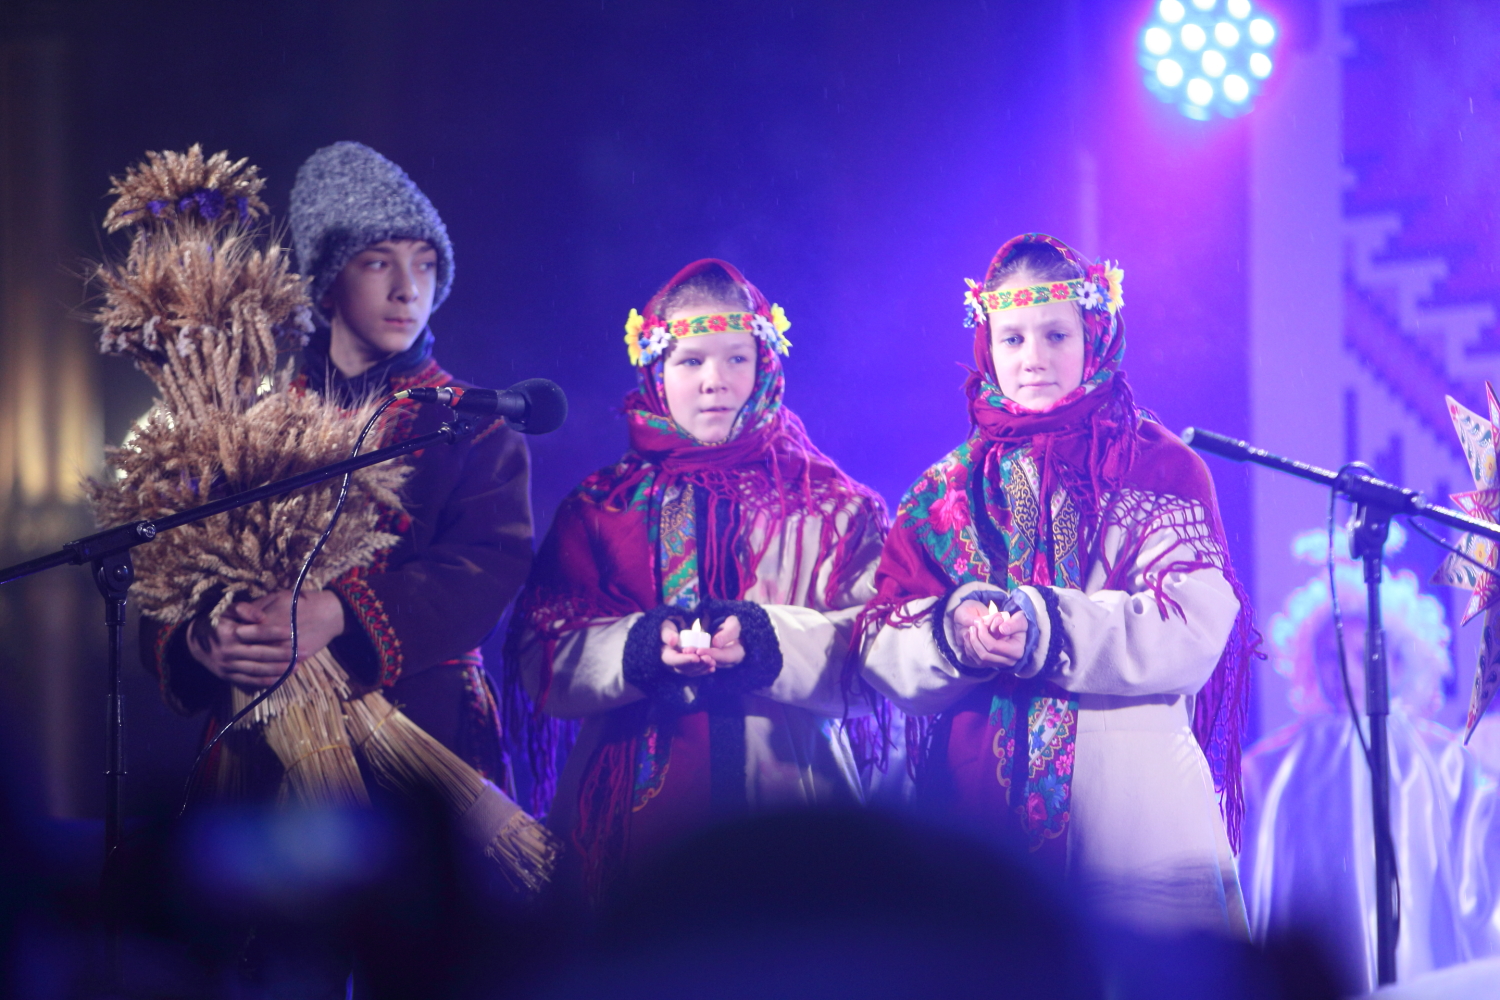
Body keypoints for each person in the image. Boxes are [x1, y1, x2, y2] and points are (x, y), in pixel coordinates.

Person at [856, 233, 1254, 936]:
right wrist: (953, 634)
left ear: (1095, 333)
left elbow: (1192, 629)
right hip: (978, 827)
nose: (1032, 357)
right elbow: (880, 638)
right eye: (1011, 339)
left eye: (1055, 335)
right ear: (987, 345)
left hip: (1134, 806)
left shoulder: (1159, 467)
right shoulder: (946, 490)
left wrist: (1047, 628)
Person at [143, 140, 533, 791]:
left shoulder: (474, 426)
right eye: (378, 262)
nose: (409, 288)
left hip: (421, 742)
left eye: (426, 264)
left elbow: (484, 570)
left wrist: (340, 613)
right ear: (326, 286)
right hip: (263, 744)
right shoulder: (245, 424)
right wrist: (199, 640)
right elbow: (168, 568)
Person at [505, 259, 886, 901]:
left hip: (796, 811)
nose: (715, 381)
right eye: (690, 362)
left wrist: (765, 640)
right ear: (655, 371)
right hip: (622, 824)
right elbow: (541, 653)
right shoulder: (601, 507)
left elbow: (877, 653)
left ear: (765, 363)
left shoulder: (834, 506)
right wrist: (640, 648)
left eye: (737, 358)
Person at [1240, 526, 1500, 992]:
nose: (1346, 669)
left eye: (1364, 655)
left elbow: (1479, 876)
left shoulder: (1445, 762)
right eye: (1331, 655)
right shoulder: (1269, 769)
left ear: (1397, 662)